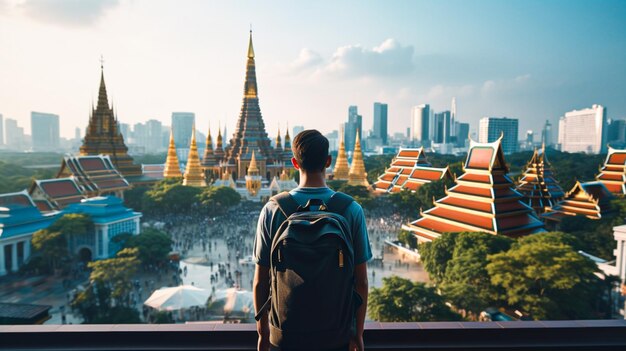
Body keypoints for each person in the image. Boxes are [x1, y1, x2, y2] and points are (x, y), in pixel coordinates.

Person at [253, 129, 372, 351]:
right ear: (328, 161)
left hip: (285, 335)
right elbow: (362, 282)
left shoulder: (272, 209)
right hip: (335, 334)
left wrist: (263, 333)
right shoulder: (351, 209)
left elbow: (261, 281)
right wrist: (358, 333)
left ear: (294, 164)